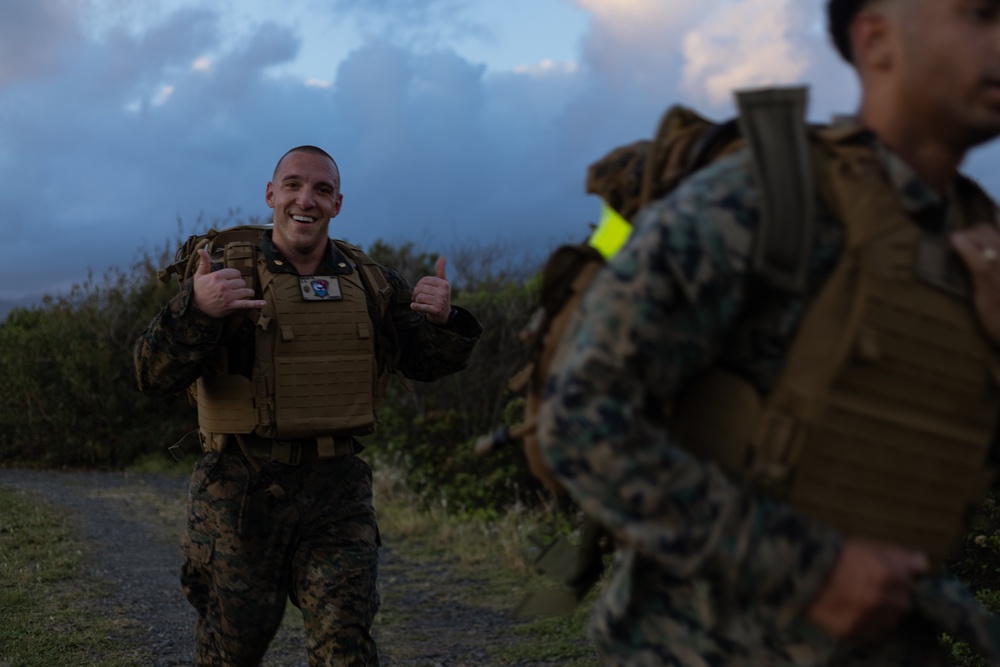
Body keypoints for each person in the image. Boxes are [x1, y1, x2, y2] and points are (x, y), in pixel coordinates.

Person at [537, 0, 1000, 665]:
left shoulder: (976, 242)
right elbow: (580, 419)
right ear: (877, 39)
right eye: (980, 13)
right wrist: (808, 568)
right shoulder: (760, 202)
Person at [134, 145, 482, 666]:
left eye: (321, 190)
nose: (306, 199)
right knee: (231, 651)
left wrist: (444, 322)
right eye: (293, 185)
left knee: (346, 647)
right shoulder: (225, 276)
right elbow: (151, 374)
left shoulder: (370, 282)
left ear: (338, 203)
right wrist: (197, 310)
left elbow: (423, 360)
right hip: (239, 492)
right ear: (271, 195)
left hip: (336, 491)